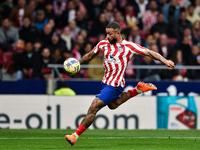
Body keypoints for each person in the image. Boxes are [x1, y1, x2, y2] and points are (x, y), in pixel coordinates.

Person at [65, 22, 175, 146]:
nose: (107, 36)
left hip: (115, 85)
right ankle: (139, 90)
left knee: (94, 107)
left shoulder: (128, 46)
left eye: (110, 34)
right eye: (106, 33)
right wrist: (77, 64)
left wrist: (165, 60)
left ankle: (75, 136)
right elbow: (90, 55)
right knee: (114, 105)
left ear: (118, 33)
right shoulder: (103, 43)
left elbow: (149, 52)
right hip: (105, 83)